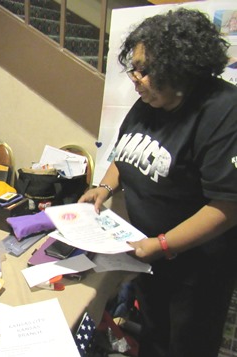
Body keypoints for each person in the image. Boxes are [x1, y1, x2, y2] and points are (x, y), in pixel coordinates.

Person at [79, 8, 237, 357]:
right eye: (133, 67)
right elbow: (124, 154)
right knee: (153, 341)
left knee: (186, 347)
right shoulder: (149, 102)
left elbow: (228, 205)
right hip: (149, 255)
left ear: (180, 67)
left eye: (145, 70)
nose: (135, 78)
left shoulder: (223, 111)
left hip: (196, 271)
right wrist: (104, 188)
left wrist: (162, 245)